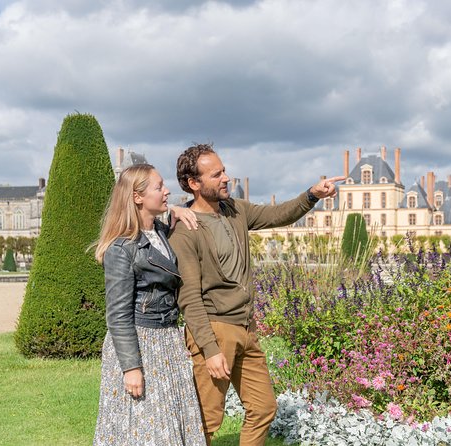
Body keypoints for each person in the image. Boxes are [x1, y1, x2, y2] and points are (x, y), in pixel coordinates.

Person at [170, 143, 344, 445]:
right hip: (215, 330)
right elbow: (189, 298)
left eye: (224, 171)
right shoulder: (186, 230)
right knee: (207, 419)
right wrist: (210, 350)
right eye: (216, 175)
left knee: (263, 407)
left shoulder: (235, 210)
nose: (226, 178)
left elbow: (278, 214)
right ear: (194, 184)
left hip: (246, 328)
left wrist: (312, 194)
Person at [92, 164, 206, 446]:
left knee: (170, 419)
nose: (167, 191)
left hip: (167, 339)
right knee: (147, 428)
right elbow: (118, 316)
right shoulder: (122, 248)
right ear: (137, 197)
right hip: (143, 343)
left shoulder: (160, 231)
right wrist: (131, 367)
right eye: (159, 187)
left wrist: (175, 211)